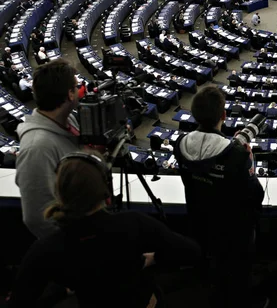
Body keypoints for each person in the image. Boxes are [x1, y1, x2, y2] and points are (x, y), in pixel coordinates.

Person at [9, 151, 204, 308]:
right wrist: (152, 259)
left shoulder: (46, 248)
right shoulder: (134, 224)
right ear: (105, 190)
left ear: (58, 191)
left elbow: (20, 301)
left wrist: (63, 291)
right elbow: (191, 252)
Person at [173, 86, 266, 308]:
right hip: (234, 231)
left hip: (199, 222)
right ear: (223, 116)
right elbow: (256, 194)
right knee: (238, 272)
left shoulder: (180, 145)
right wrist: (248, 162)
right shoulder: (237, 155)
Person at [15, 59, 81, 239]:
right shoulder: (37, 148)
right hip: (75, 245)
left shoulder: (69, 120)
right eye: (77, 86)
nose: (80, 90)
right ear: (70, 94)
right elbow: (37, 218)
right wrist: (79, 245)